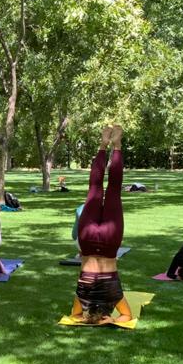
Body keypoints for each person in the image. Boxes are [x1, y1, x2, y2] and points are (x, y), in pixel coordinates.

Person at [69, 125, 132, 325]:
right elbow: (75, 316)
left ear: (107, 311)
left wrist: (111, 321)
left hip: (109, 241)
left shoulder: (114, 296)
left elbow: (126, 316)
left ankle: (117, 144)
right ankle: (104, 145)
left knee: (113, 191)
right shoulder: (82, 297)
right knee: (94, 189)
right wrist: (88, 320)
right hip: (87, 241)